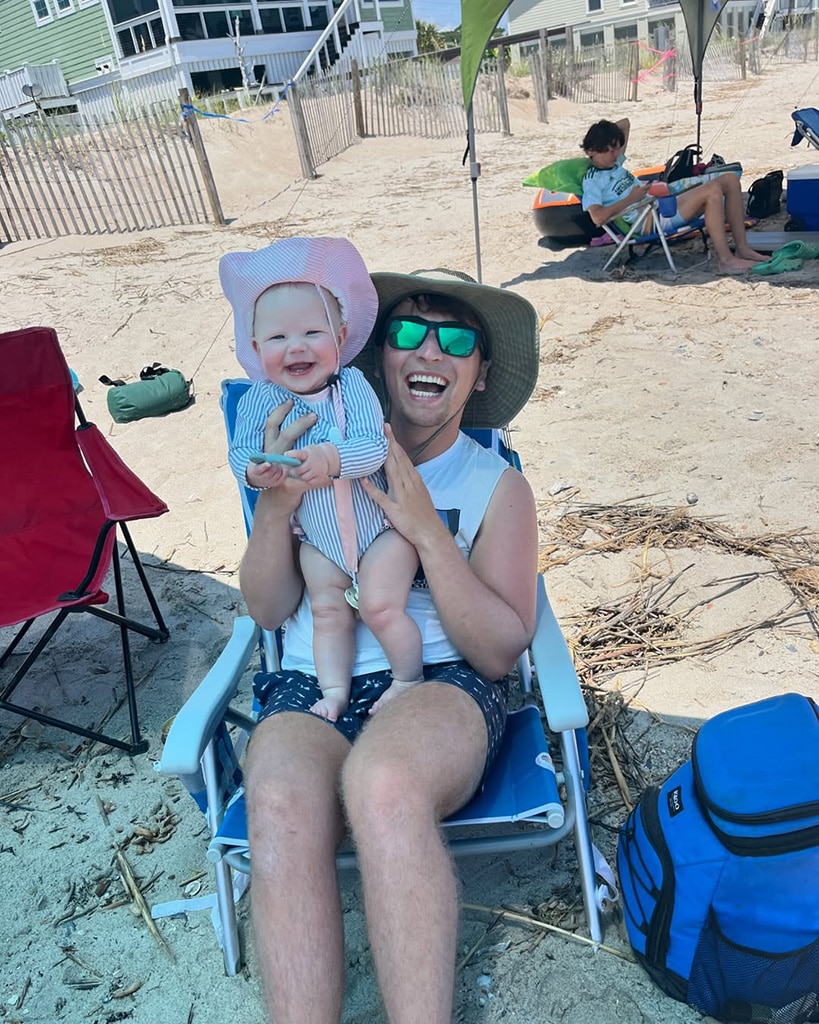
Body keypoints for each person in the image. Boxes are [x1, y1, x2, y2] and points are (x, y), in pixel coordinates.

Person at [240, 266, 540, 1024]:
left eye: (456, 340)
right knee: (276, 800)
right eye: (408, 330)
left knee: (384, 784)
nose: (429, 351)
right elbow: (268, 610)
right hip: (313, 678)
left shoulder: (494, 485)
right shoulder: (306, 449)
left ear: (479, 375)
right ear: (378, 358)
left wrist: (429, 534)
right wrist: (274, 506)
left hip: (438, 679)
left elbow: (500, 652)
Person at [220, 237, 422, 722]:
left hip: (380, 532)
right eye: (277, 338)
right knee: (327, 612)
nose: (296, 347)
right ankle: (333, 692)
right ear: (255, 348)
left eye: (313, 332)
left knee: (379, 605)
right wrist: (255, 469)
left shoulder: (352, 386)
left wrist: (332, 458)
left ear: (341, 336)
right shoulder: (260, 399)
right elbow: (241, 451)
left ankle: (407, 678)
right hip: (318, 542)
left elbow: (375, 446)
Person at [580, 117, 768, 274]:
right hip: (649, 220)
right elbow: (597, 217)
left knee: (730, 180)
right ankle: (725, 261)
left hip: (659, 205)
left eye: (616, 148)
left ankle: (742, 249)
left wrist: (605, 135)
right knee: (712, 190)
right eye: (609, 150)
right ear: (591, 151)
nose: (615, 154)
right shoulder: (592, 181)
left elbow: (625, 123)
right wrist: (631, 198)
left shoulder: (614, 163)